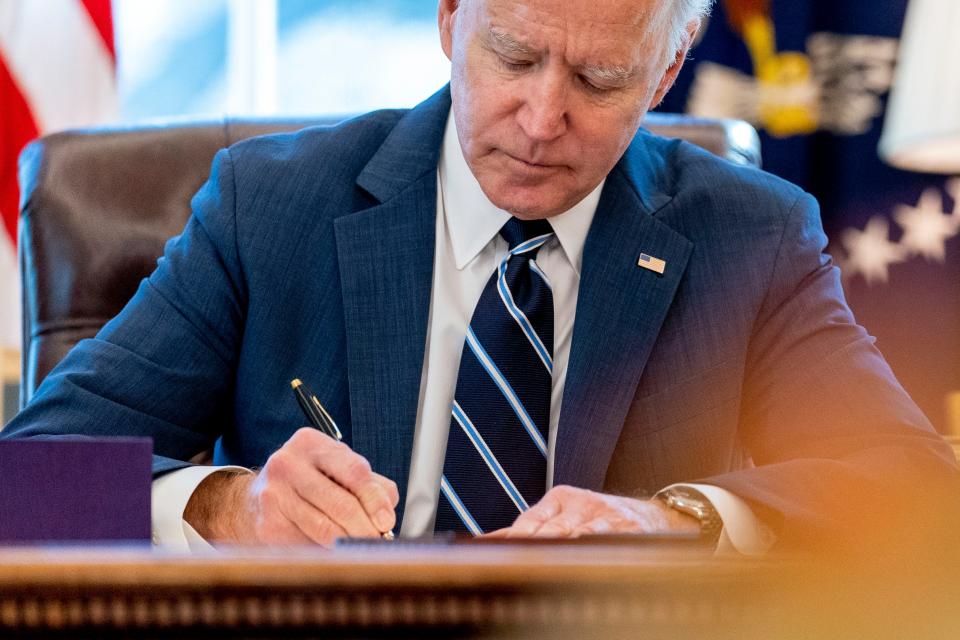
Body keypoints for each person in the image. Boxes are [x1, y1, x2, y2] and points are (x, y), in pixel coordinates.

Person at [3, 0, 957, 553]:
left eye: (599, 81)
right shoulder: (271, 206)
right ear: (452, 19)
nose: (543, 119)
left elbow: (913, 487)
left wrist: (679, 521)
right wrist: (228, 505)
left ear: (665, 74)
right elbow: (26, 479)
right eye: (513, 56)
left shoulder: (751, 235)